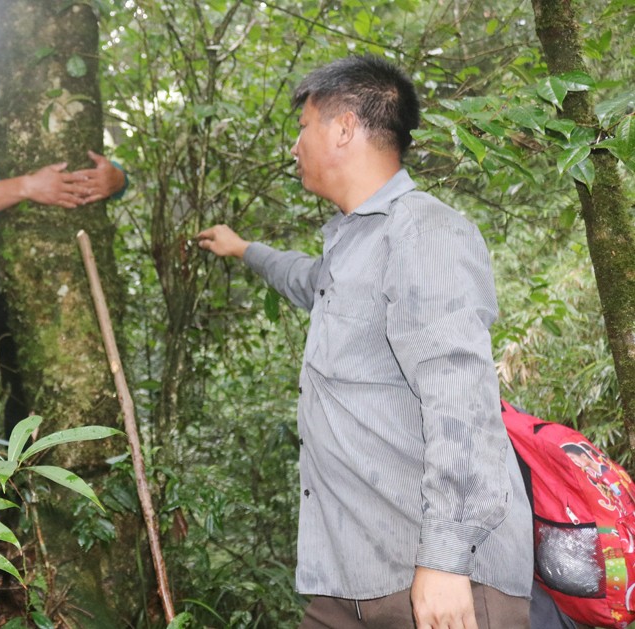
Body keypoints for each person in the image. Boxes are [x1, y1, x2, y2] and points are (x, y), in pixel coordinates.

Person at [197, 55, 533, 628]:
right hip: (352, 581)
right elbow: (305, 280)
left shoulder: (422, 231)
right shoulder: (353, 246)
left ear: (344, 128)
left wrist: (445, 561)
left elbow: (461, 403)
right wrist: (243, 249)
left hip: (440, 583)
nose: (295, 146)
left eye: (303, 126)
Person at [0, 47, 126, 471]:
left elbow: (90, 164)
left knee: (27, 400)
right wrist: (31, 186)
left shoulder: (27, 123)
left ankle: (15, 496)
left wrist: (116, 178)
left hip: (30, 294)